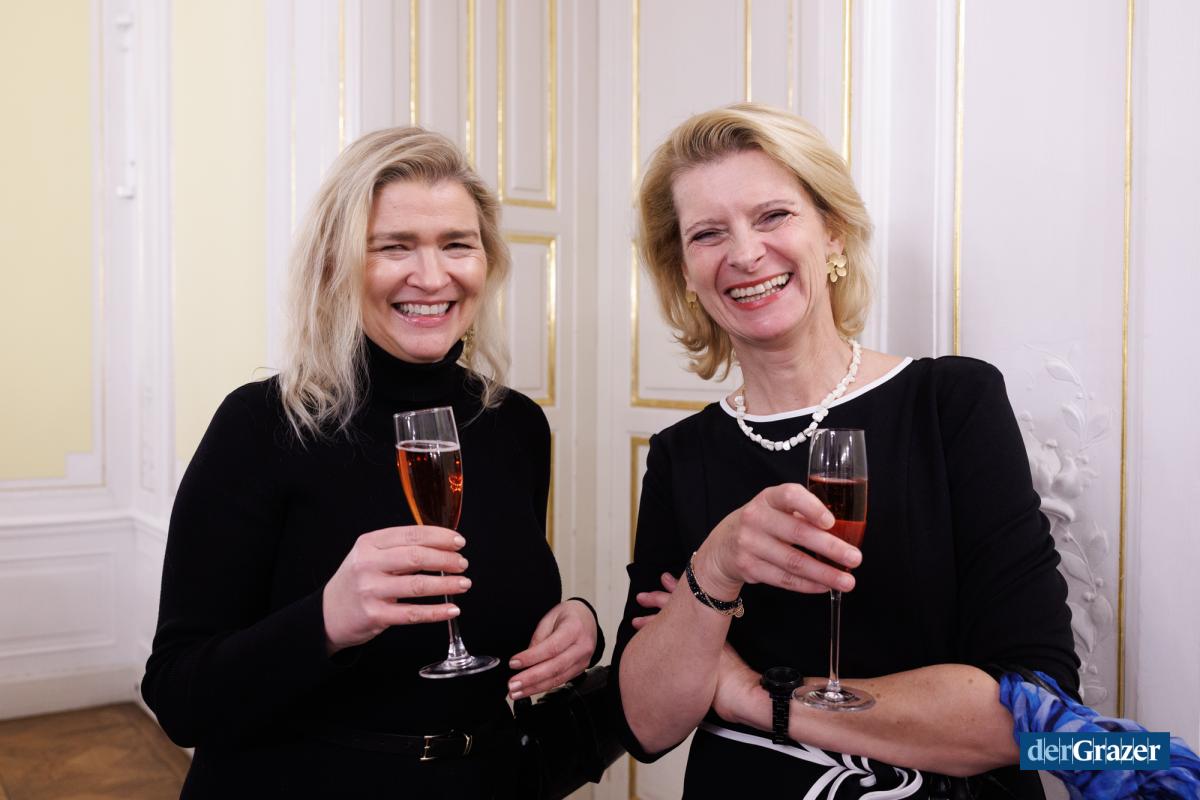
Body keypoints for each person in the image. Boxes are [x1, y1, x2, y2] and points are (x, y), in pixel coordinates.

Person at [613, 103, 1078, 798]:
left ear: (832, 231)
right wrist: (717, 562)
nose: (745, 254)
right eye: (707, 233)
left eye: (773, 216)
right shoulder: (683, 455)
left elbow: (1034, 715)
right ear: (683, 271)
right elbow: (645, 725)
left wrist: (752, 697)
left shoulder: (951, 403)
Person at [142, 127, 602, 798]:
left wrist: (577, 622)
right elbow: (179, 696)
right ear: (338, 266)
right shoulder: (259, 426)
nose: (432, 276)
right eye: (394, 247)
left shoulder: (516, 425)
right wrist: (326, 620)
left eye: (457, 244)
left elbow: (501, 612)